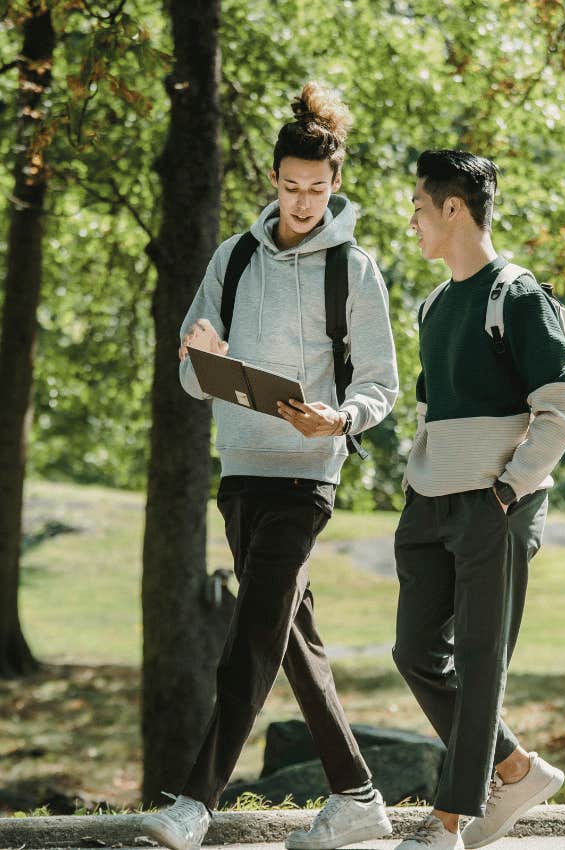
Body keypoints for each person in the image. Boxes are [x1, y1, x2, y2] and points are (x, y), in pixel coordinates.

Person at [140, 82, 398, 850]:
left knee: (253, 634)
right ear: (274, 181)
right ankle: (357, 794)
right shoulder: (235, 257)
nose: (303, 202)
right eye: (291, 187)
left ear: (336, 185)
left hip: (307, 476)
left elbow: (379, 382)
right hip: (242, 472)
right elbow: (189, 371)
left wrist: (342, 417)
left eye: (317, 190)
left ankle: (195, 802)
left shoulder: (353, 270)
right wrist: (203, 357)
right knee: (290, 639)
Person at [392, 150, 565, 850]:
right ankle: (516, 768)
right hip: (430, 504)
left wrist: (508, 489)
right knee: (414, 650)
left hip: (494, 505)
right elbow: (430, 410)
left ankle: (449, 819)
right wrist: (416, 485)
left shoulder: (517, 295)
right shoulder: (435, 304)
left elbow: (561, 409)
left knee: (478, 661)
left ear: (453, 208)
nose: (412, 219)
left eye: (419, 205)